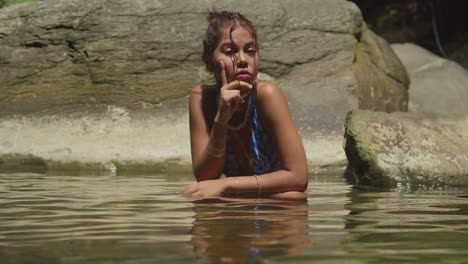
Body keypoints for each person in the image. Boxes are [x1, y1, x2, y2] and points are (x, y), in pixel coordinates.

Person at [182, 11, 308, 199]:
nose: (243, 60)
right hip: (241, 200)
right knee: (200, 198)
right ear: (209, 62)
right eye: (230, 51)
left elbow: (298, 178)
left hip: (275, 201)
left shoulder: (267, 96)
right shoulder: (201, 98)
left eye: (250, 51)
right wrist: (221, 121)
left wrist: (228, 184)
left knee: (292, 198)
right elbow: (205, 177)